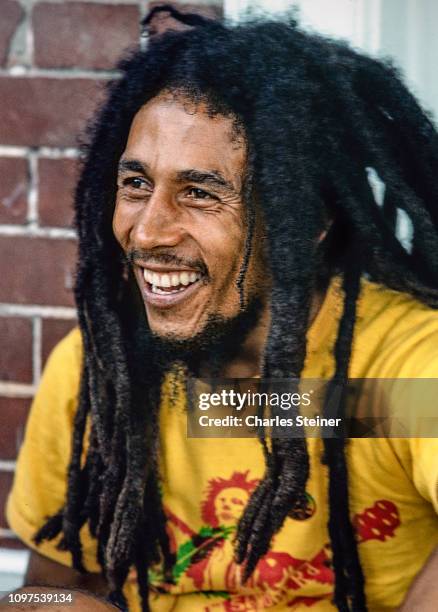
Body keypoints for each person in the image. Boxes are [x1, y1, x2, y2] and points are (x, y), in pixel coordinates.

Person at [6, 5, 438, 611]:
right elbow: (44, 594)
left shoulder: (401, 370)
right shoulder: (100, 372)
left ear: (305, 220)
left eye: (199, 193)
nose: (148, 231)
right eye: (135, 185)